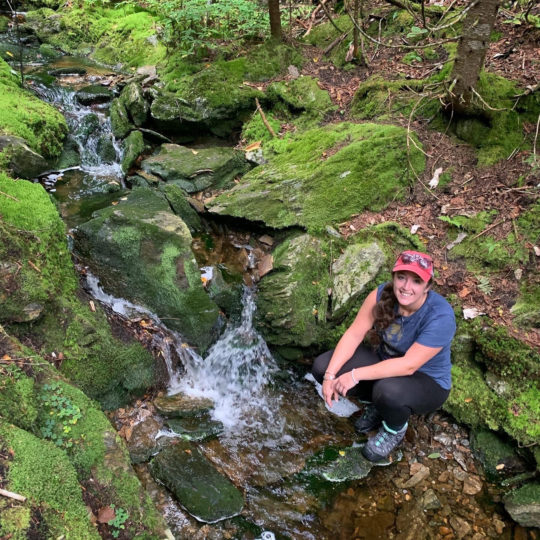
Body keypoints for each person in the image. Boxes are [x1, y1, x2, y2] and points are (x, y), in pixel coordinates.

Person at [312, 250, 456, 462]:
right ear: (393, 277)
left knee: (387, 391)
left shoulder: (440, 316)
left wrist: (355, 375)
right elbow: (354, 334)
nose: (406, 287)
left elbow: (408, 365)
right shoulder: (380, 295)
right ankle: (376, 407)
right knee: (322, 367)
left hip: (426, 380)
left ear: (428, 286)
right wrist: (330, 375)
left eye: (416, 281)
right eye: (401, 278)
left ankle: (394, 428)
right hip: (385, 361)